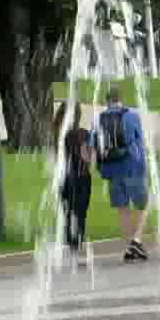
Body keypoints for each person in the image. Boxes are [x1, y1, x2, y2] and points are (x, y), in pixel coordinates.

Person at [95, 85, 150, 262]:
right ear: (120, 99)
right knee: (143, 205)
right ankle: (136, 240)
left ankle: (129, 248)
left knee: (122, 209)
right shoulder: (131, 116)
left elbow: (94, 145)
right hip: (132, 168)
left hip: (112, 170)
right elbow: (140, 142)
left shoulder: (99, 119)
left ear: (107, 101)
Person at [54, 102, 95, 255]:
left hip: (63, 178)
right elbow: (88, 157)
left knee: (67, 210)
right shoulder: (82, 134)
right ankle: (76, 244)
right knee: (80, 212)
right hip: (81, 177)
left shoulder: (57, 134)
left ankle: (69, 241)